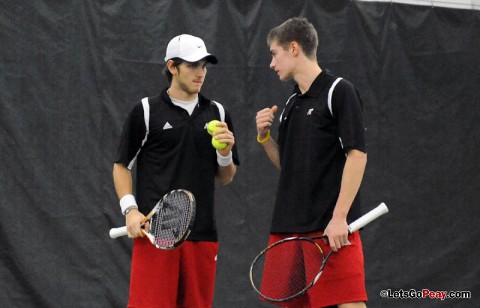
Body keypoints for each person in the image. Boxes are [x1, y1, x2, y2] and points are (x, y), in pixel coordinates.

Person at [113, 34, 239, 308]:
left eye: (204, 66)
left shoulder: (218, 113)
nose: (200, 73)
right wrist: (130, 209)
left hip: (203, 236)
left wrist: (225, 153)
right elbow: (121, 166)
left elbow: (226, 177)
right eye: (193, 65)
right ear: (172, 67)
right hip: (156, 235)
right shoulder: (146, 111)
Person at [255, 17, 368, 308]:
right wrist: (265, 138)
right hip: (288, 231)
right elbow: (288, 164)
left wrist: (340, 217)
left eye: (273, 53)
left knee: (350, 304)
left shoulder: (339, 92)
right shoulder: (291, 105)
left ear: (294, 48)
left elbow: (357, 155)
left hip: (330, 230)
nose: (271, 63)